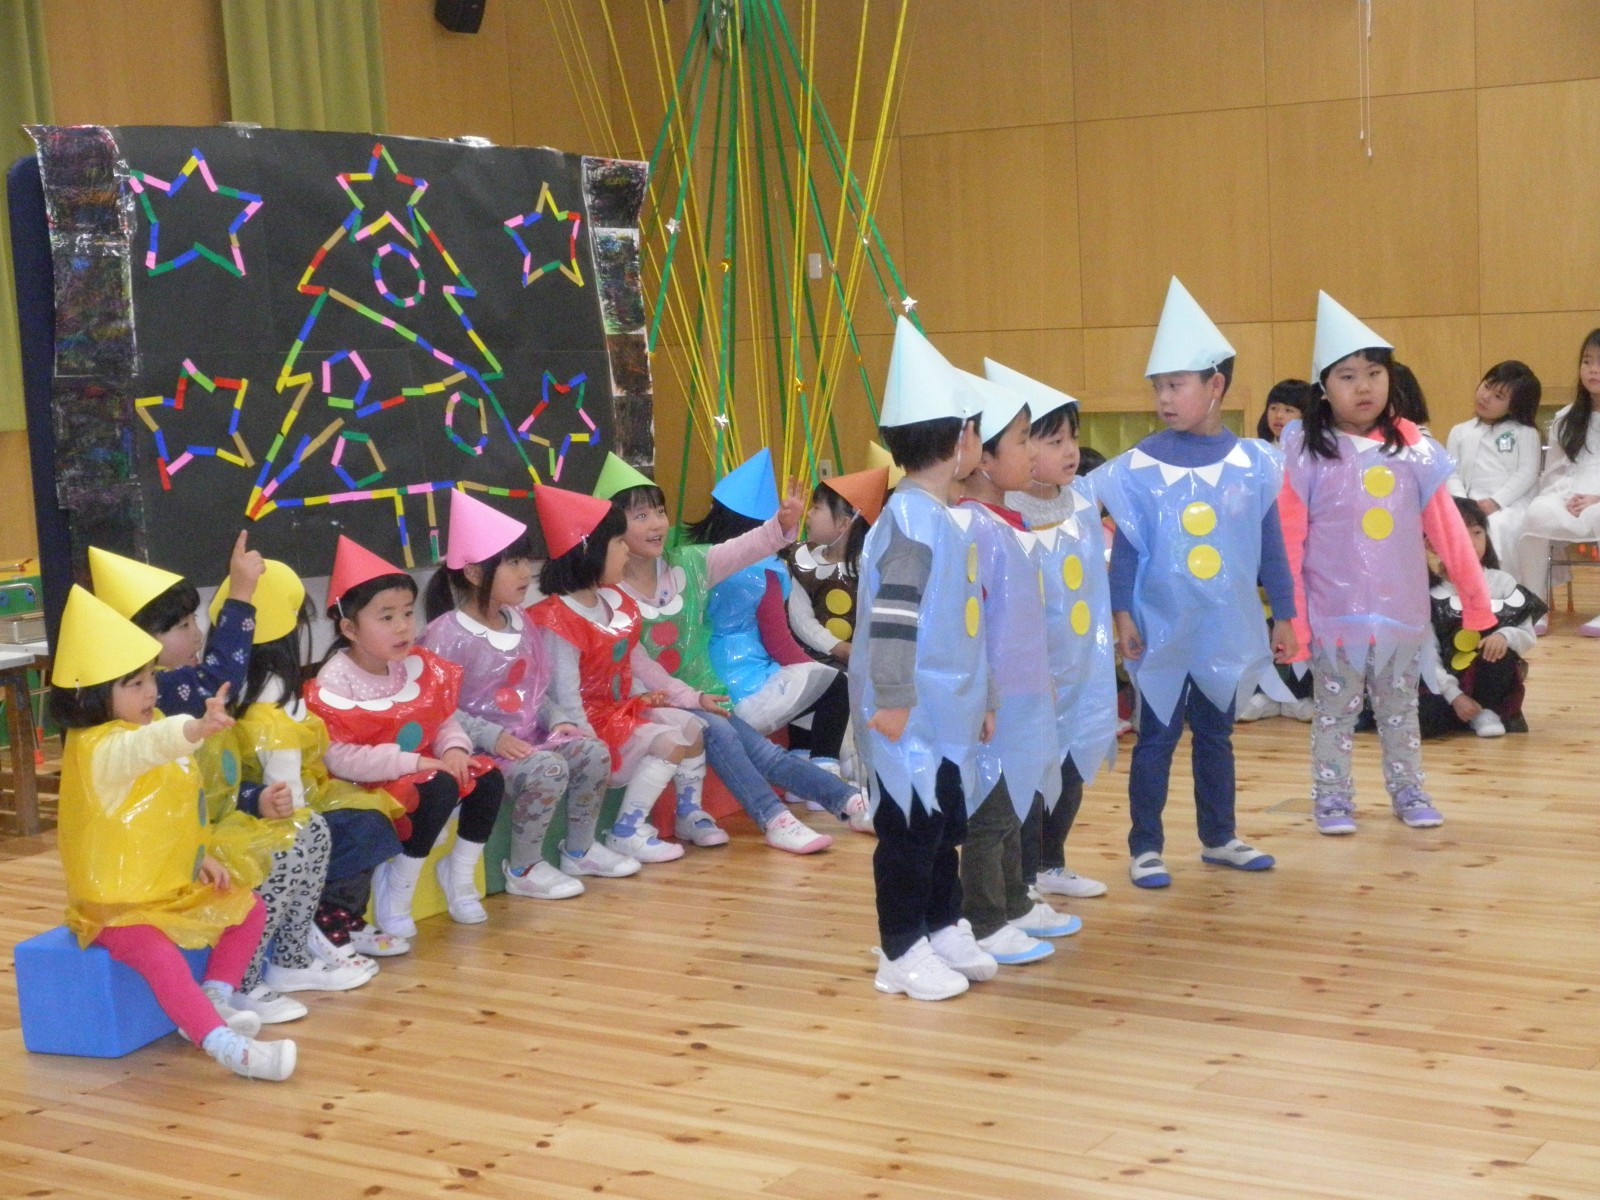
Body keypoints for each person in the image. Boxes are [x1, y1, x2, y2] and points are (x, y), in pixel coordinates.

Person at [1094, 278, 1296, 888]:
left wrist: (1285, 615)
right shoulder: (1138, 467)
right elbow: (1127, 547)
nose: (1163, 397)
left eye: (1176, 384)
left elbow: (1270, 546)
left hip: (1223, 626)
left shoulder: (1254, 463)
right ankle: (1145, 847)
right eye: (1158, 386)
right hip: (1159, 626)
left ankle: (1220, 836)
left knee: (1216, 734)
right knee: (1156, 737)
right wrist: (1122, 613)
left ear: (1215, 386)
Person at [50, 586, 295, 1080]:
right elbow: (150, 746)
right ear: (93, 695)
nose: (151, 692)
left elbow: (175, 809)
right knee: (158, 955)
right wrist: (196, 728)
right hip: (117, 907)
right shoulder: (101, 749)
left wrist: (198, 857)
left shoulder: (147, 723)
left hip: (167, 888)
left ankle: (214, 998)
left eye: (150, 678)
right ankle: (225, 1046)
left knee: (248, 907)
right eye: (135, 684)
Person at [1279, 293, 1492, 836]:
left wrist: (1476, 603)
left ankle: (1409, 790)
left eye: (1374, 373)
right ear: (1323, 386)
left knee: (1401, 710)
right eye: (1348, 376)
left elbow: (1448, 530)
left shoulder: (1414, 448)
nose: (1364, 386)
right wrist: (1292, 618)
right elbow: (1289, 540)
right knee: (1335, 712)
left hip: (1401, 614)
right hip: (1334, 614)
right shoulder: (1305, 450)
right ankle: (1332, 798)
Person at [603, 455, 872, 853]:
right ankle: (775, 818)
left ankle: (849, 802)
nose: (658, 523)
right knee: (727, 734)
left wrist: (780, 524)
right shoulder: (610, 595)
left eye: (659, 512)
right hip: (649, 701)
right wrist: (692, 698)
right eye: (641, 516)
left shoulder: (689, 565)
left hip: (701, 694)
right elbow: (641, 669)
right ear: (611, 529)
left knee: (765, 753)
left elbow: (745, 547)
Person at [852, 317, 998, 1001]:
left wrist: (984, 699)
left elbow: (966, 626)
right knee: (910, 832)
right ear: (960, 436)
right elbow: (894, 619)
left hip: (946, 712)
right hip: (908, 713)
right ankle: (900, 948)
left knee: (943, 826)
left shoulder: (942, 516)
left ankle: (942, 925)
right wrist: (891, 697)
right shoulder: (911, 521)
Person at [306, 536, 505, 938]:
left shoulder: (413, 663)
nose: (402, 627)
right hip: (367, 786)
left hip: (420, 769)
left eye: (408, 613)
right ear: (349, 628)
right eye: (386, 617)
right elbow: (339, 757)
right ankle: (398, 884)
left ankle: (459, 873)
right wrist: (413, 762)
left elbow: (442, 719)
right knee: (438, 784)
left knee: (486, 777)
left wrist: (454, 749)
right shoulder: (335, 681)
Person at [420, 490, 613, 899]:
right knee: (548, 769)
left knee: (592, 751)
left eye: (525, 560)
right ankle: (524, 868)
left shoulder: (520, 621)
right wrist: (492, 737)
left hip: (527, 739)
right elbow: (438, 710)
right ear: (475, 573)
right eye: (513, 562)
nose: (526, 572)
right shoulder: (446, 635)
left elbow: (531, 692)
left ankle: (579, 849)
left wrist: (558, 718)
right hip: (479, 750)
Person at [212, 559, 377, 1023]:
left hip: (251, 807)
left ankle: (291, 957)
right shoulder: (268, 699)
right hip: (235, 822)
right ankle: (245, 978)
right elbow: (287, 797)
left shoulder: (264, 689)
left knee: (316, 832)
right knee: (298, 841)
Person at [953, 368, 1077, 964]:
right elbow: (972, 623)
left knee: (1015, 801)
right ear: (982, 458)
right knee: (991, 810)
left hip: (1023, 693)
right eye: (1023, 440)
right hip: (993, 697)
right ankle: (984, 918)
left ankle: (1014, 901)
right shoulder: (972, 525)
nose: (1032, 452)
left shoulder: (1010, 520)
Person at [528, 484, 706, 868]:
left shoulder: (613, 601)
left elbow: (621, 665)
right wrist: (591, 746)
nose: (627, 550)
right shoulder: (559, 619)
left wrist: (641, 695)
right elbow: (564, 695)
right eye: (618, 543)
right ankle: (627, 829)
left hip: (618, 710)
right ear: (590, 552)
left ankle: (689, 813)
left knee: (691, 726)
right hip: (587, 724)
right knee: (667, 741)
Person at [991, 358, 1114, 900]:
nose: (1070, 451)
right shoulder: (1002, 515)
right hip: (1027, 676)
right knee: (1027, 772)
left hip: (1080, 668)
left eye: (1073, 439)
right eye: (1053, 440)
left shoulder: (1084, 500)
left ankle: (1050, 862)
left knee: (1073, 765)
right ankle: (1021, 876)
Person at [684, 450, 851, 768]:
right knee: (833, 685)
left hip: (705, 681)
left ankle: (801, 766)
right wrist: (818, 674)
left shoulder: (695, 561)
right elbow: (779, 644)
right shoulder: (764, 572)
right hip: (747, 689)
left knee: (803, 684)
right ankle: (822, 770)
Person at [89, 532, 263, 720]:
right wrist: (240, 595)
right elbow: (217, 682)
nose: (198, 634)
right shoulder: (157, 689)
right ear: (140, 638)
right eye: (184, 626)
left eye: (194, 619)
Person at [1418, 497, 1545, 738]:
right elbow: (1428, 654)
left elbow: (1526, 633)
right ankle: (1461, 711)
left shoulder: (1502, 583)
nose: (1471, 542)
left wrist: (1504, 636)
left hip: (1488, 677)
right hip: (1447, 687)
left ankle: (1487, 710)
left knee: (1497, 652)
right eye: (1458, 533)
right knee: (1426, 721)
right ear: (1432, 544)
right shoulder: (1430, 595)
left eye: (1477, 532)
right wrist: (1455, 696)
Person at [1238, 379, 1320, 723]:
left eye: (1289, 410)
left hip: (1303, 553)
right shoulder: (1255, 453)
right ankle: (1263, 692)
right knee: (1262, 622)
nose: (1279, 415)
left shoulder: (1314, 456)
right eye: (1274, 407)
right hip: (1261, 552)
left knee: (1299, 620)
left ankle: (1298, 693)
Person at [1520, 329, 1600, 635]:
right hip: (1569, 496)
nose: (1592, 369)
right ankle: (1536, 608)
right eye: (1587, 361)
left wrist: (1596, 498)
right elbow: (1554, 472)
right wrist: (1565, 497)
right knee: (1537, 513)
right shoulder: (1566, 418)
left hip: (1597, 502)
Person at [1445, 361, 1543, 588]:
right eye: (1487, 386)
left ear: (1515, 406)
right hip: (1469, 502)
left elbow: (1527, 473)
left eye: (1499, 396)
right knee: (1460, 527)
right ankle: (1467, 589)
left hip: (1511, 504)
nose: (1486, 396)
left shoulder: (1525, 432)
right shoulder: (1460, 431)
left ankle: (1508, 590)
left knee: (1498, 526)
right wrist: (1465, 503)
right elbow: (1451, 472)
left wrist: (1495, 502)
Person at [1257, 378, 1312, 445]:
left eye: (1288, 410)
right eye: (1273, 408)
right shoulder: (1261, 447)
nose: (1278, 415)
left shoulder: (1314, 449)